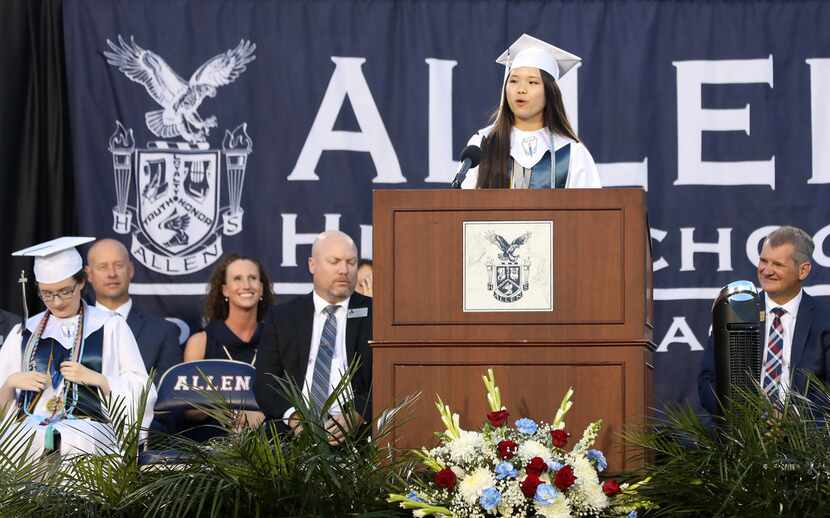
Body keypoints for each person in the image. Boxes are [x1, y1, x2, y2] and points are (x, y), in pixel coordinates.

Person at [0, 237, 155, 458]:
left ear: (81, 282)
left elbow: (142, 390)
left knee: (76, 437)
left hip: (92, 430)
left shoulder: (110, 325)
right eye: (47, 293)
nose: (57, 302)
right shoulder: (24, 331)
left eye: (65, 291)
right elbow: (4, 409)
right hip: (33, 428)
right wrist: (9, 383)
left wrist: (100, 380)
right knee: (18, 439)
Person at [255, 230, 372, 444]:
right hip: (292, 435)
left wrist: (358, 414)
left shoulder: (377, 315)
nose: (344, 270)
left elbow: (388, 379)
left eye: (351, 262)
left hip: (360, 435)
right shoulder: (283, 318)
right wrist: (296, 419)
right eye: (334, 261)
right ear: (312, 265)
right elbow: (266, 382)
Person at [698, 226, 830, 414]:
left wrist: (792, 416)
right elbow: (708, 381)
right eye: (763, 261)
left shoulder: (824, 319)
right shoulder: (733, 312)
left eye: (777, 264)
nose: (766, 271)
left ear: (803, 270)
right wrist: (741, 415)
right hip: (741, 432)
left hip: (804, 435)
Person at [461, 33, 601, 190]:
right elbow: (463, 207)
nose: (521, 89)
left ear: (549, 92)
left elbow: (591, 210)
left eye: (532, 82)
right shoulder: (483, 143)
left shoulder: (572, 152)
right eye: (513, 81)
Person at [184, 253, 275, 432]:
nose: (246, 285)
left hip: (269, 447)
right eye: (237, 279)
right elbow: (188, 409)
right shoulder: (200, 342)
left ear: (262, 288)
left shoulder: (276, 338)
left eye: (252, 278)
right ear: (225, 290)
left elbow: (287, 399)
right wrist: (232, 413)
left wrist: (262, 414)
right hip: (210, 445)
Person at [85, 239, 181, 381]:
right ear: (89, 274)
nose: (112, 274)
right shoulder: (75, 328)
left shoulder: (164, 332)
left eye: (118, 265)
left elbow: (166, 395)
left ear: (131, 270)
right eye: (103, 267)